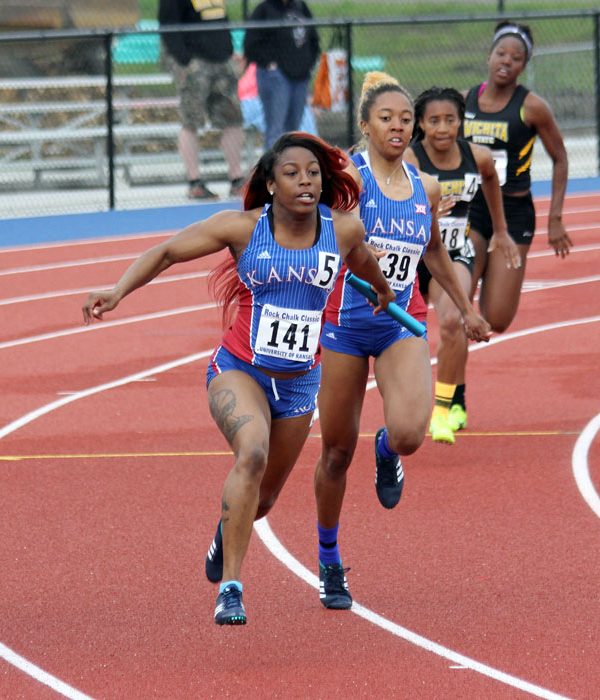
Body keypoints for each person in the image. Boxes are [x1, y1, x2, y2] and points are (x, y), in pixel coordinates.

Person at [83, 131, 394, 625]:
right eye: (291, 174)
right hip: (239, 368)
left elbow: (365, 263)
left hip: (298, 384)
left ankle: (226, 531)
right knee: (252, 452)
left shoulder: (345, 230)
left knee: (264, 499)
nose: (305, 181)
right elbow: (166, 252)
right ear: (270, 185)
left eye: (313, 173)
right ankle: (231, 588)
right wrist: (119, 290)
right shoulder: (243, 229)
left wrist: (381, 291)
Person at [312, 72, 491, 610]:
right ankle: (329, 562)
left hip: (401, 321)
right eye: (385, 118)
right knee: (337, 452)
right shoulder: (347, 180)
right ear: (365, 125)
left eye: (404, 119)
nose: (397, 126)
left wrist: (465, 308)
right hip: (343, 325)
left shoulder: (425, 187)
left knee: (412, 432)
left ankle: (387, 450)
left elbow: (433, 252)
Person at [458, 20, 570, 428]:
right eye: (501, 54)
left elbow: (560, 158)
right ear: (488, 57)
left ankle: (489, 278)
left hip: (515, 213)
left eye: (516, 58)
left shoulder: (532, 107)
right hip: (471, 212)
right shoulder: (463, 102)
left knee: (496, 320)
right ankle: (453, 398)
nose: (506, 62)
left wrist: (556, 218)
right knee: (457, 311)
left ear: (524, 65)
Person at [404, 86, 518, 444]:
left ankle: (442, 411)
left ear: (461, 121)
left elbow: (490, 181)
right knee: (394, 335)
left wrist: (500, 230)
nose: (442, 128)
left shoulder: (478, 156)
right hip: (412, 256)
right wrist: (427, 211)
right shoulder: (411, 159)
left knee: (453, 320)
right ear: (421, 123)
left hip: (453, 253)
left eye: (450, 120)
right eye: (433, 120)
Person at [159, 0, 247, 200]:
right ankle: (194, 182)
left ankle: (236, 178)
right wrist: (184, 61)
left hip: (222, 62)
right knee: (191, 122)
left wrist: (229, 50)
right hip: (195, 63)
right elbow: (168, 27)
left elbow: (222, 21)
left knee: (233, 120)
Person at [243, 0, 321, 149]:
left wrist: (308, 62)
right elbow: (251, 44)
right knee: (276, 130)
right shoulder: (264, 10)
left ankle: (291, 167)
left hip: (300, 76)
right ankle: (273, 169)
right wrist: (269, 64)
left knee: (294, 131)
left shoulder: (300, 7)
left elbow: (313, 38)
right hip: (276, 77)